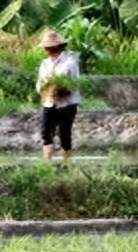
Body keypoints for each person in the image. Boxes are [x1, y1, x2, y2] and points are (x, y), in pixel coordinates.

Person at [34, 29, 82, 163]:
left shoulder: (70, 62)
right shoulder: (45, 64)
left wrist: (59, 86)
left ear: (58, 47)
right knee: (46, 132)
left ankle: (66, 163)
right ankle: (46, 164)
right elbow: (40, 83)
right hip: (49, 101)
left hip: (67, 103)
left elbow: (72, 83)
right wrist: (44, 88)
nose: (49, 50)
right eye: (47, 47)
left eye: (51, 47)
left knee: (64, 133)